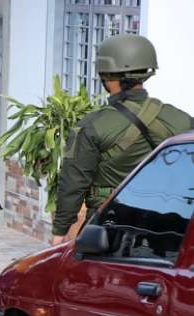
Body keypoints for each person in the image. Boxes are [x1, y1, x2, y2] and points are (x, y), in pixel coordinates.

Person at [51, 34, 194, 245]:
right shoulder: (181, 119)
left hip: (108, 225)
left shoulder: (92, 125)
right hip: (168, 227)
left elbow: (73, 183)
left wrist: (60, 231)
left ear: (107, 77)